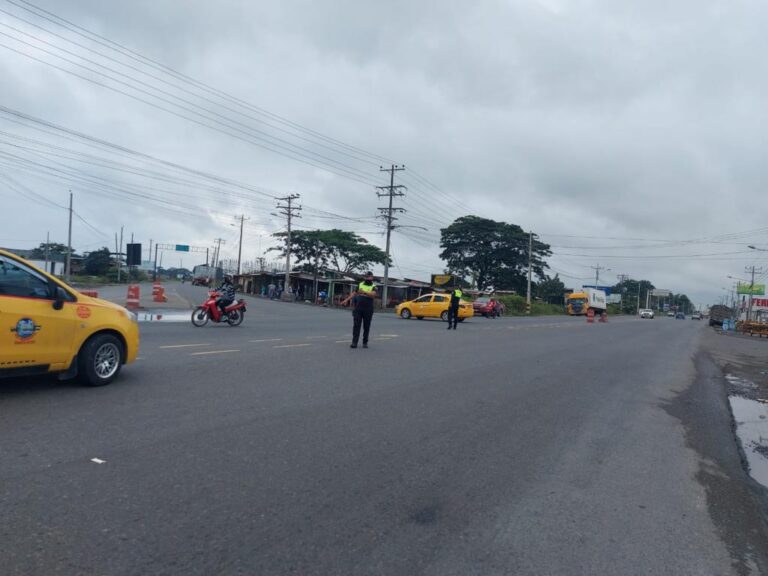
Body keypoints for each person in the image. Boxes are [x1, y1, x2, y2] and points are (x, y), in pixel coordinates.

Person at [341, 271, 377, 348]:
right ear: (364, 277)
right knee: (356, 325)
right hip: (358, 308)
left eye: (369, 277)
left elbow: (373, 295)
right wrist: (346, 300)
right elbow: (354, 293)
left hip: (368, 309)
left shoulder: (374, 286)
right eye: (366, 277)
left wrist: (364, 292)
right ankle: (354, 342)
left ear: (372, 277)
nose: (367, 278)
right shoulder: (360, 284)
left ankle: (365, 342)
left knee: (366, 326)